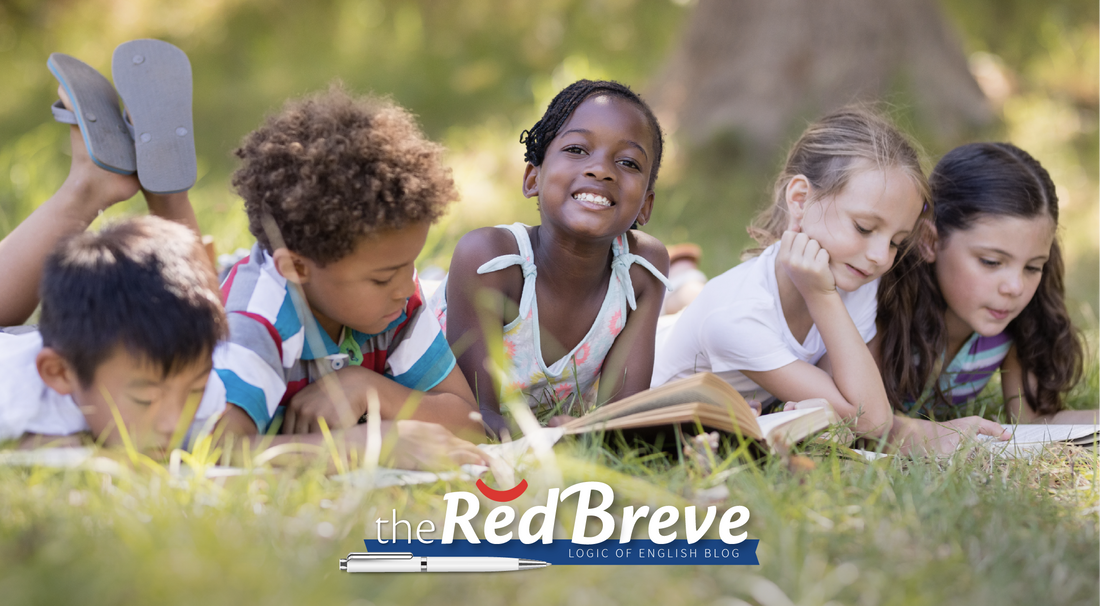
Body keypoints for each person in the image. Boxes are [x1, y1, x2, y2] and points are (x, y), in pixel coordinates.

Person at [212, 84, 483, 442]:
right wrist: (352, 448)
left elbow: (470, 422)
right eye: (382, 279)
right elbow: (217, 450)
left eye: (409, 265)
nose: (405, 288)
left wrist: (365, 387)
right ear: (297, 268)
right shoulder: (258, 320)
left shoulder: (393, 299)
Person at [652, 107, 929, 437]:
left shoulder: (854, 276)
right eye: (864, 227)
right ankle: (680, 279)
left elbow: (853, 401)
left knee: (695, 299)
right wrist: (821, 296)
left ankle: (685, 278)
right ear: (800, 199)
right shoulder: (736, 317)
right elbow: (871, 422)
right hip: (654, 377)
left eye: (897, 242)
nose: (881, 257)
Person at [431, 80, 671, 437]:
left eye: (627, 162)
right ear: (533, 178)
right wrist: (559, 435)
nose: (601, 170)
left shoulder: (641, 270)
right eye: (577, 149)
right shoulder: (491, 260)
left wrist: (589, 434)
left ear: (646, 205)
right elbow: (475, 416)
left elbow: (622, 421)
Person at [876, 142, 1096, 454]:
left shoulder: (1012, 326)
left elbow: (1033, 421)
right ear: (929, 241)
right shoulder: (884, 303)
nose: (1015, 287)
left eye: (1033, 267)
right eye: (991, 262)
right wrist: (924, 434)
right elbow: (856, 417)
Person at [0, 216, 226, 455]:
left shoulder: (202, 391)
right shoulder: (12, 398)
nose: (175, 423)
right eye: (145, 399)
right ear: (60, 372)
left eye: (195, 391)